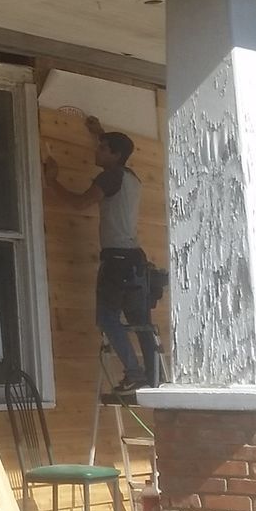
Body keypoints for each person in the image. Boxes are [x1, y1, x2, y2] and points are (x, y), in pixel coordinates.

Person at [44, 116, 157, 393]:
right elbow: (118, 153)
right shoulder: (132, 178)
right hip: (135, 261)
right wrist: (99, 134)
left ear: (115, 154)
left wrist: (52, 181)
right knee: (140, 322)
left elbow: (80, 202)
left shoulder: (110, 176)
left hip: (116, 261)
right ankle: (155, 378)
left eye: (102, 148)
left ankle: (134, 373)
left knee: (107, 319)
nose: (97, 151)